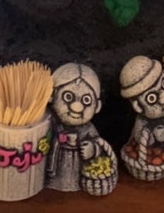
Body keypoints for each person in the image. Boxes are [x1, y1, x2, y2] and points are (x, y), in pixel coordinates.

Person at [47, 63, 118, 196]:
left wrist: (93, 149)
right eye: (68, 97)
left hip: (79, 179)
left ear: (97, 106)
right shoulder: (50, 123)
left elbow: (99, 144)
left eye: (86, 100)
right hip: (52, 182)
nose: (77, 107)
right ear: (52, 96)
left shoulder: (88, 128)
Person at [119, 55, 164, 180]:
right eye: (152, 98)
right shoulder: (142, 121)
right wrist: (154, 136)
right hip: (156, 153)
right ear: (138, 106)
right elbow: (141, 140)